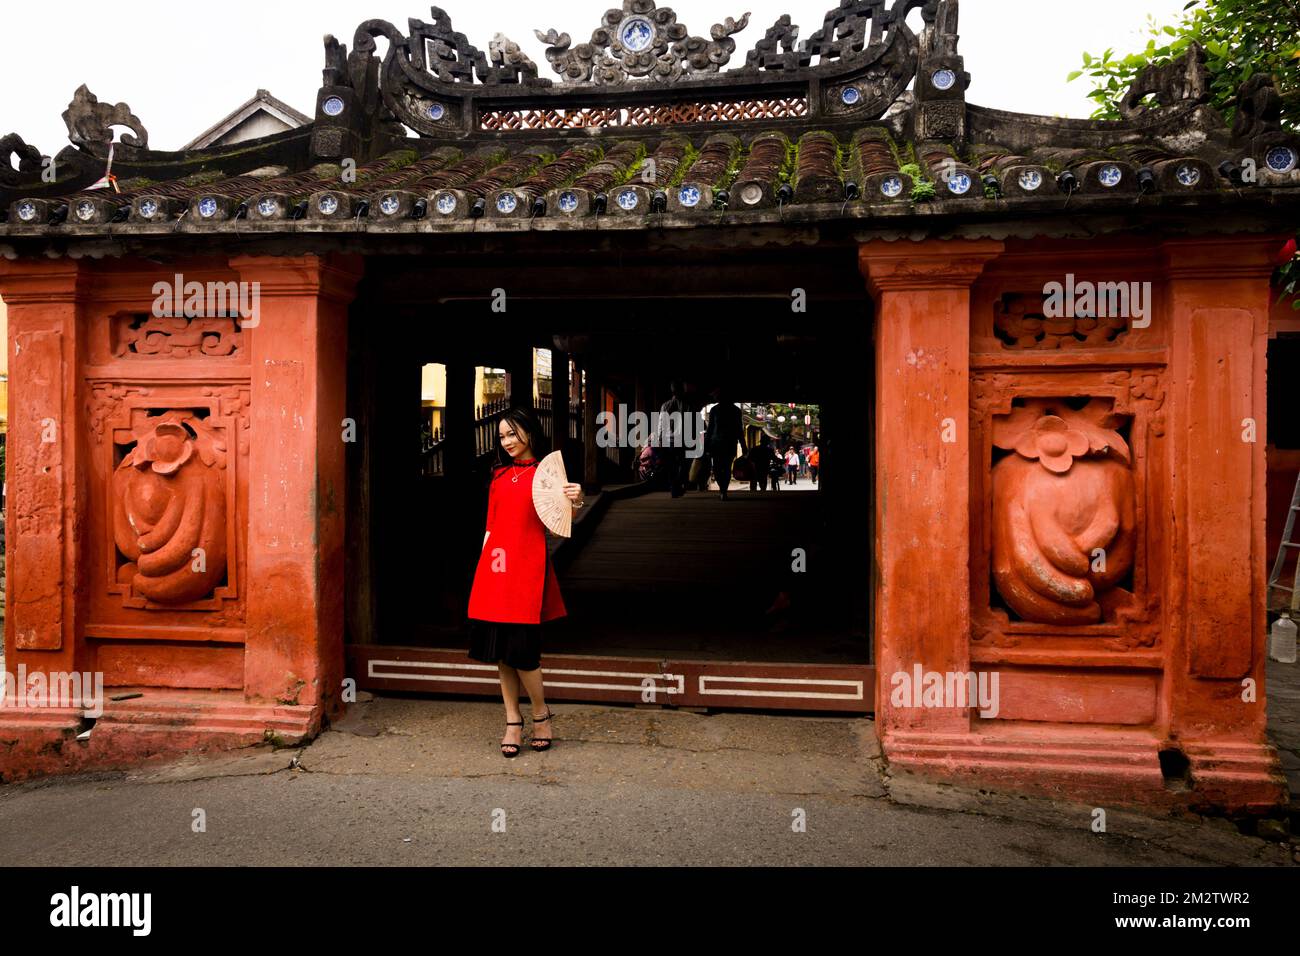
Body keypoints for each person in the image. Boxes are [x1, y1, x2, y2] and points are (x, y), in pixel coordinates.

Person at [467, 407, 584, 757]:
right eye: (502, 436)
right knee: (502, 654)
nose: (507, 442)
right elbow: (490, 528)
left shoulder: (546, 476)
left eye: (513, 434)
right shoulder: (498, 476)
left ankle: (540, 713)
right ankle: (512, 721)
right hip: (494, 571)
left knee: (525, 653)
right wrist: (482, 572)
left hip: (528, 571)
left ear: (529, 433)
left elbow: (556, 526)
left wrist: (574, 501)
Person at [705, 387, 746, 501]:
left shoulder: (719, 410)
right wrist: (743, 446)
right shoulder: (729, 410)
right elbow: (739, 430)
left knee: (723, 468)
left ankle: (723, 491)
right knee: (721, 468)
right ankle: (723, 490)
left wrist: (743, 445)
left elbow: (710, 430)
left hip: (723, 443)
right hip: (722, 443)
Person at [655, 379, 692, 498]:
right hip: (682, 440)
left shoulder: (665, 405)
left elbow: (661, 423)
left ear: (672, 391)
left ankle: (674, 489)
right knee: (683, 464)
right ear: (682, 391)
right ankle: (679, 484)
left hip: (667, 440)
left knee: (671, 466)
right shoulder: (687, 406)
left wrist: (660, 439)